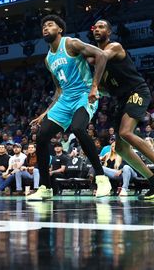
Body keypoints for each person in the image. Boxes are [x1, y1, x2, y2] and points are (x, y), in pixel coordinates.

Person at [26, 15, 111, 201]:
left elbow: (101, 55)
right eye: (43, 26)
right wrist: (46, 112)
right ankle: (45, 187)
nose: (45, 28)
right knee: (41, 137)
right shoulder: (48, 59)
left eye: (50, 25)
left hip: (84, 94)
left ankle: (101, 177)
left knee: (78, 128)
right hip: (64, 100)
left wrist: (95, 86)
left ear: (60, 29)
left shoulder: (71, 43)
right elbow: (58, 89)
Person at [90, 19, 154, 199]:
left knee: (126, 132)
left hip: (137, 91)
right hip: (121, 99)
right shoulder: (98, 64)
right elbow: (106, 88)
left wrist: (82, 56)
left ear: (109, 32)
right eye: (95, 27)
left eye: (101, 26)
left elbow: (99, 56)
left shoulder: (115, 47)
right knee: (120, 148)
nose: (97, 29)